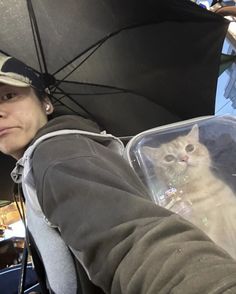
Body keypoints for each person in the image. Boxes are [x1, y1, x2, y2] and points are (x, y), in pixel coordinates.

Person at [0, 55, 236, 294]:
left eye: (9, 96)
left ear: (46, 103)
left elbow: (133, 243)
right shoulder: (41, 162)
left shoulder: (58, 155)